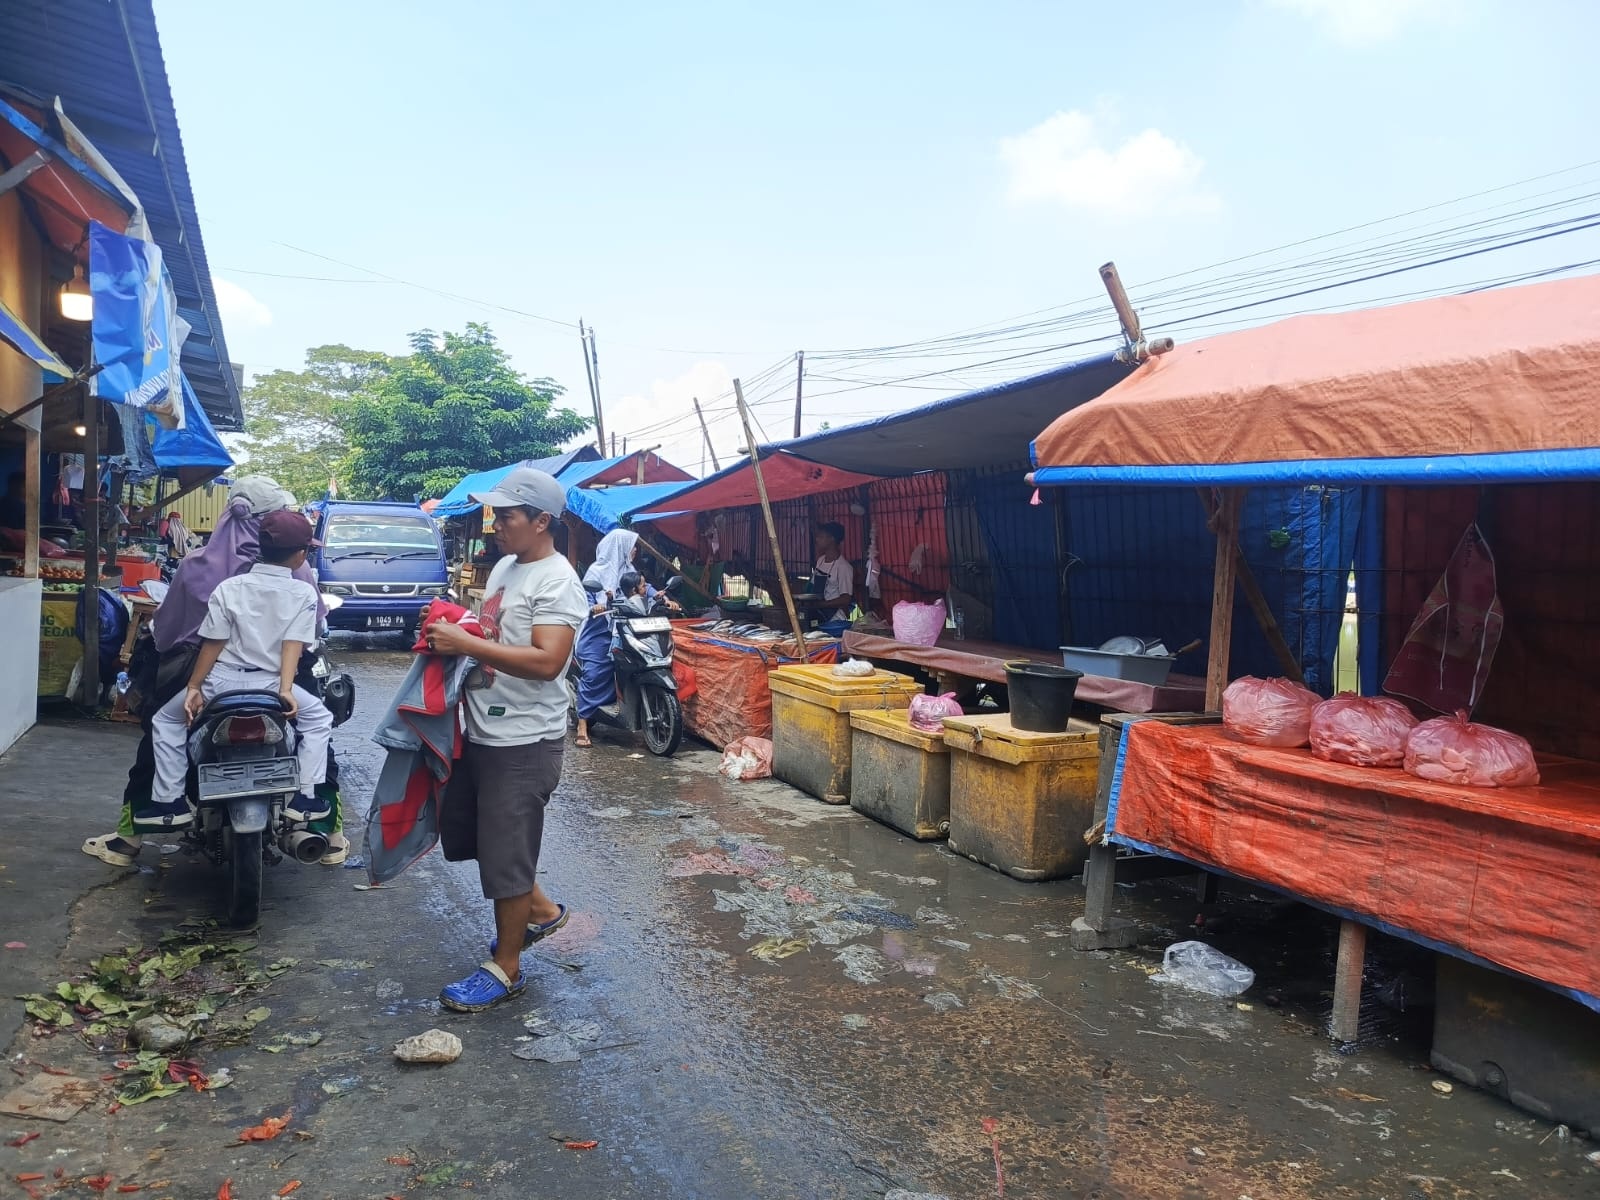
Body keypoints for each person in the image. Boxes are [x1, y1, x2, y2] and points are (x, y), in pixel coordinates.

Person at [82, 477, 350, 867]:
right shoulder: (300, 574)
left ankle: (131, 837)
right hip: (283, 675)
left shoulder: (198, 567)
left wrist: (192, 682)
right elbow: (308, 633)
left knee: (158, 729)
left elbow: (170, 633)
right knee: (317, 733)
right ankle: (330, 833)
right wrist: (287, 682)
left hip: (207, 670)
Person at [423, 466, 588, 1013]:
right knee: (472, 837)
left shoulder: (558, 582)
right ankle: (540, 912)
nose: (495, 525)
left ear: (542, 521)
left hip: (524, 741)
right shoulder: (506, 569)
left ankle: (507, 968)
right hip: (484, 730)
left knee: (507, 857)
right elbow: (490, 632)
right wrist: (455, 633)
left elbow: (547, 662)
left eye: (507, 516)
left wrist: (464, 644)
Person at [146, 512, 334, 827]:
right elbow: (293, 644)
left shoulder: (230, 588)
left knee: (166, 721)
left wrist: (194, 687)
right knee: (318, 719)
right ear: (301, 555)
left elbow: (214, 643)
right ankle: (305, 797)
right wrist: (285, 689)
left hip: (220, 683)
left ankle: (170, 802)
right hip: (270, 685)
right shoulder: (302, 593)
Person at [572, 565, 614, 749]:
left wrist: (661, 597)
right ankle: (582, 727)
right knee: (593, 675)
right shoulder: (596, 574)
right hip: (596, 635)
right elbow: (583, 603)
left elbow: (643, 589)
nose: (634, 550)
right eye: (631, 546)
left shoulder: (628, 570)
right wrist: (594, 607)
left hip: (619, 632)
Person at [813, 522, 855, 622]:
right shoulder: (820, 560)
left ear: (832, 539)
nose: (817, 539)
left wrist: (822, 604)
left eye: (821, 536)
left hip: (835, 617)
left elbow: (846, 598)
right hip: (820, 613)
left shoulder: (843, 567)